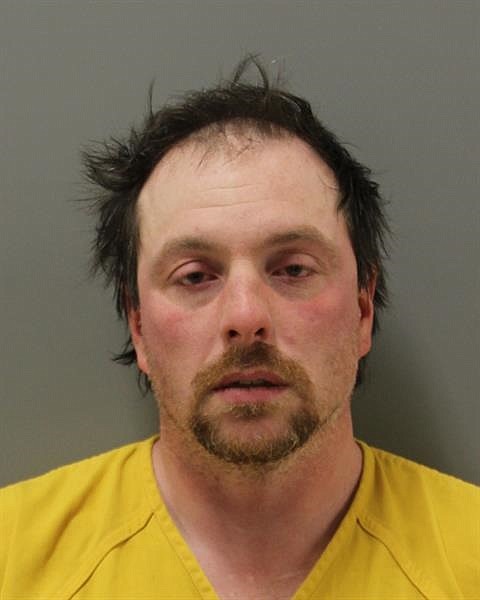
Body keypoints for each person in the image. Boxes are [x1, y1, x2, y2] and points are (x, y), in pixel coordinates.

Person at [1, 58, 478, 600]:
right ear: (138, 326)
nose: (246, 317)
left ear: (363, 309)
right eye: (195, 276)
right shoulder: (12, 561)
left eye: (293, 269)